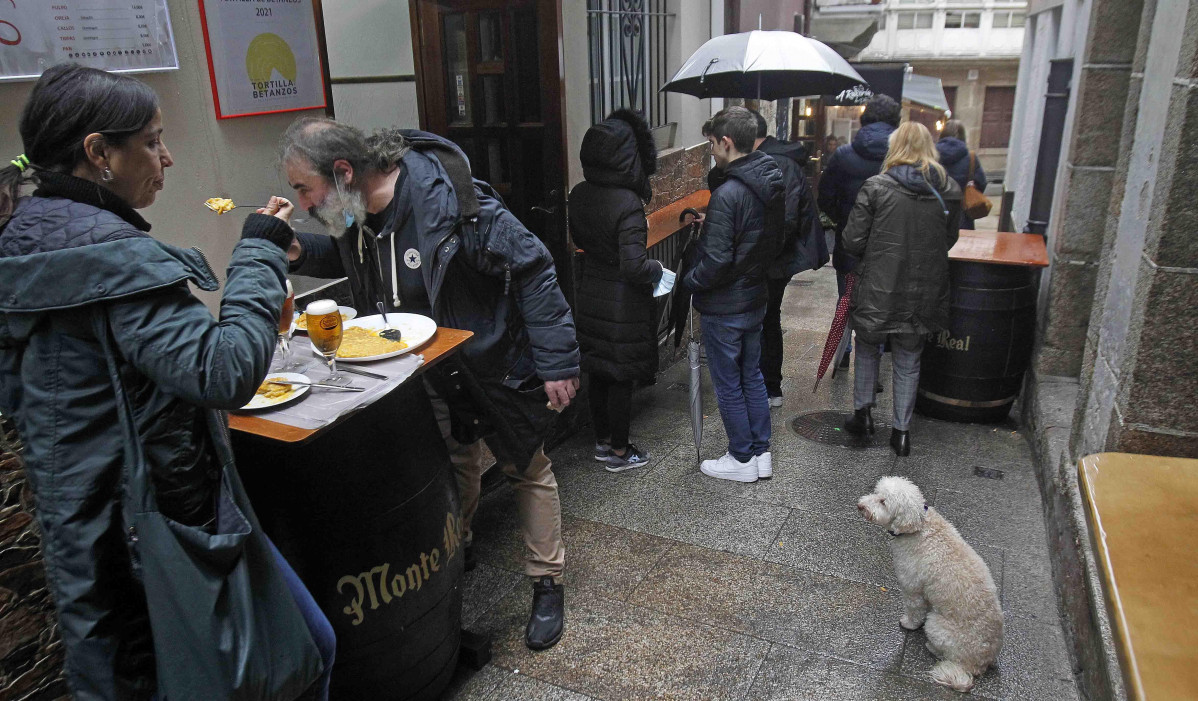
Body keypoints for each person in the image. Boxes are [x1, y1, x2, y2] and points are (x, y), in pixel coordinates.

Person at [0, 65, 335, 699]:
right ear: (99, 152)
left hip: (86, 518)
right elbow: (223, 371)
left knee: (304, 644)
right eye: (153, 141)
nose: (168, 157)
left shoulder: (27, 239)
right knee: (291, 662)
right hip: (154, 527)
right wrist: (259, 251)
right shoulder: (106, 257)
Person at [278, 118, 579, 650]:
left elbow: (532, 266)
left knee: (525, 466)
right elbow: (351, 259)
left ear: (344, 171)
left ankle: (546, 581)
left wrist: (557, 361)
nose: (301, 201)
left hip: (487, 362)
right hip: (422, 371)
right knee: (455, 460)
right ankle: (456, 549)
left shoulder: (455, 205)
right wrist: (298, 252)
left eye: (304, 188)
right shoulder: (354, 213)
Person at [840, 122, 962, 456]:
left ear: (895, 148)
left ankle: (863, 416)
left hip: (879, 284)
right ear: (929, 147)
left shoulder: (876, 186)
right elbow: (948, 238)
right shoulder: (948, 187)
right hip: (924, 289)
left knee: (866, 347)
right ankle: (902, 433)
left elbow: (852, 240)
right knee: (909, 358)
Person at [683, 106, 784, 483]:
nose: (710, 150)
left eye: (711, 142)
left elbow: (717, 262)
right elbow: (762, 236)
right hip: (756, 295)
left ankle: (740, 458)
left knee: (728, 381)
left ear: (726, 142)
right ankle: (760, 453)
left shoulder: (728, 192)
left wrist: (690, 279)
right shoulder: (769, 179)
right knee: (752, 376)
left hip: (726, 303)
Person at [569, 109, 662, 471]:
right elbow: (635, 265)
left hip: (591, 290)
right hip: (623, 301)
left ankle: (603, 441)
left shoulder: (578, 193)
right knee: (621, 375)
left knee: (599, 368)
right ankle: (621, 453)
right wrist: (658, 268)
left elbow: (581, 242)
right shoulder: (628, 204)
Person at [746, 109, 825, 409]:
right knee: (767, 317)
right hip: (773, 254)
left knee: (767, 317)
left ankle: (769, 387)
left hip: (775, 257)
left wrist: (761, 255)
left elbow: (786, 219)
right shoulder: (770, 157)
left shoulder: (777, 162)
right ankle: (766, 385)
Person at [818, 94, 902, 366]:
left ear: (864, 121)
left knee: (846, 298)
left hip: (849, 241)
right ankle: (874, 360)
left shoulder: (844, 156)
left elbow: (825, 198)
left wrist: (846, 219)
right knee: (883, 303)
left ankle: (843, 352)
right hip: (891, 245)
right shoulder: (904, 158)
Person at [936, 119, 988, 230]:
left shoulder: (931, 156)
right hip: (962, 216)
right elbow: (981, 183)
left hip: (935, 214)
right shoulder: (971, 158)